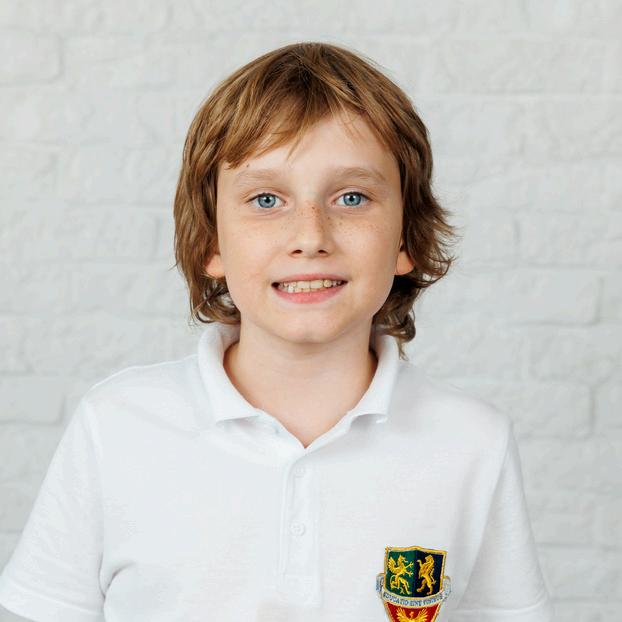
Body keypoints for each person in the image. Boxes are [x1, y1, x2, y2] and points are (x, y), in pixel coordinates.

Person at [0, 41, 554, 622]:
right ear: (211, 242)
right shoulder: (115, 425)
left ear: (405, 237)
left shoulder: (472, 442)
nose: (310, 236)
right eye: (266, 199)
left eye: (352, 197)